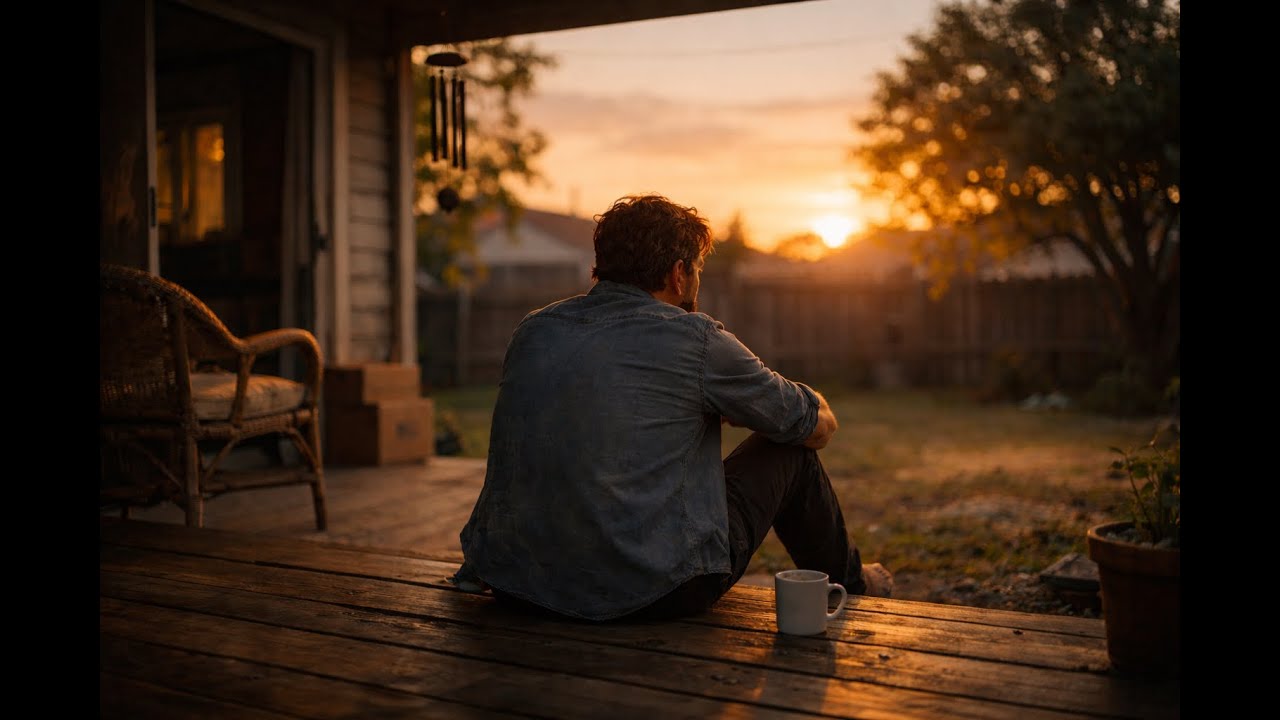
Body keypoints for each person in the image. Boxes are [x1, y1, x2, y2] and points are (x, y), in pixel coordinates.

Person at [451, 193, 892, 622]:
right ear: (679, 274)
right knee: (790, 450)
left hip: (516, 580)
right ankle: (851, 583)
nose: (697, 282)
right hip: (652, 588)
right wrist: (811, 401)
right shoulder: (695, 339)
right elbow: (812, 425)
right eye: (697, 269)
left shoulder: (534, 330)